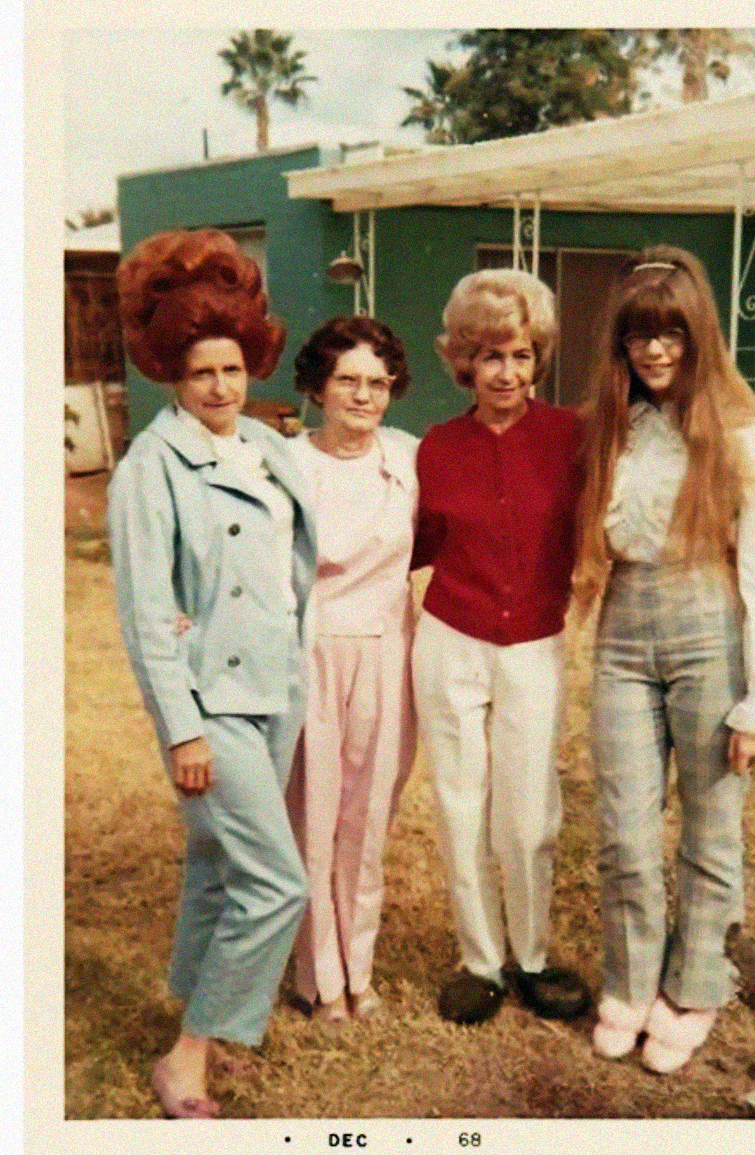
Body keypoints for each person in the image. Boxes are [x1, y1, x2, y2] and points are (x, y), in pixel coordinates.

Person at [573, 245, 755, 1073]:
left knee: (710, 827)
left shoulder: (746, 435)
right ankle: (631, 983)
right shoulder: (615, 425)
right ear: (622, 344)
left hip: (710, 621)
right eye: (639, 334)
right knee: (625, 827)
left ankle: (696, 986)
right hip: (626, 623)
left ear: (699, 333)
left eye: (671, 332)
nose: (656, 350)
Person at [108, 229, 317, 1117]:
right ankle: (189, 1053)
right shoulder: (148, 469)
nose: (222, 388)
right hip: (211, 703)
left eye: (233, 369)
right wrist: (183, 726)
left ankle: (206, 1012)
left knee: (222, 868)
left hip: (276, 688)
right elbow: (148, 614)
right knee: (279, 882)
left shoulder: (267, 449)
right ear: (172, 376)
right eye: (202, 374)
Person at [411, 268, 591, 1026]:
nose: (506, 373)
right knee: (460, 802)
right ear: (463, 362)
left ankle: (535, 956)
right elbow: (413, 544)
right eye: (490, 357)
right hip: (452, 634)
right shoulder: (437, 447)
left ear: (538, 357)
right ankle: (479, 959)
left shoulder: (570, 437)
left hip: (533, 644)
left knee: (526, 813)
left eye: (520, 355)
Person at [285, 316, 418, 1026]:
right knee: (311, 817)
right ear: (316, 386)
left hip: (386, 651)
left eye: (377, 382)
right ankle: (317, 977)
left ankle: (358, 970)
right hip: (309, 651)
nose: (364, 395)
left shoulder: (409, 459)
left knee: (366, 822)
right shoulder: (285, 462)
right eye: (348, 381)